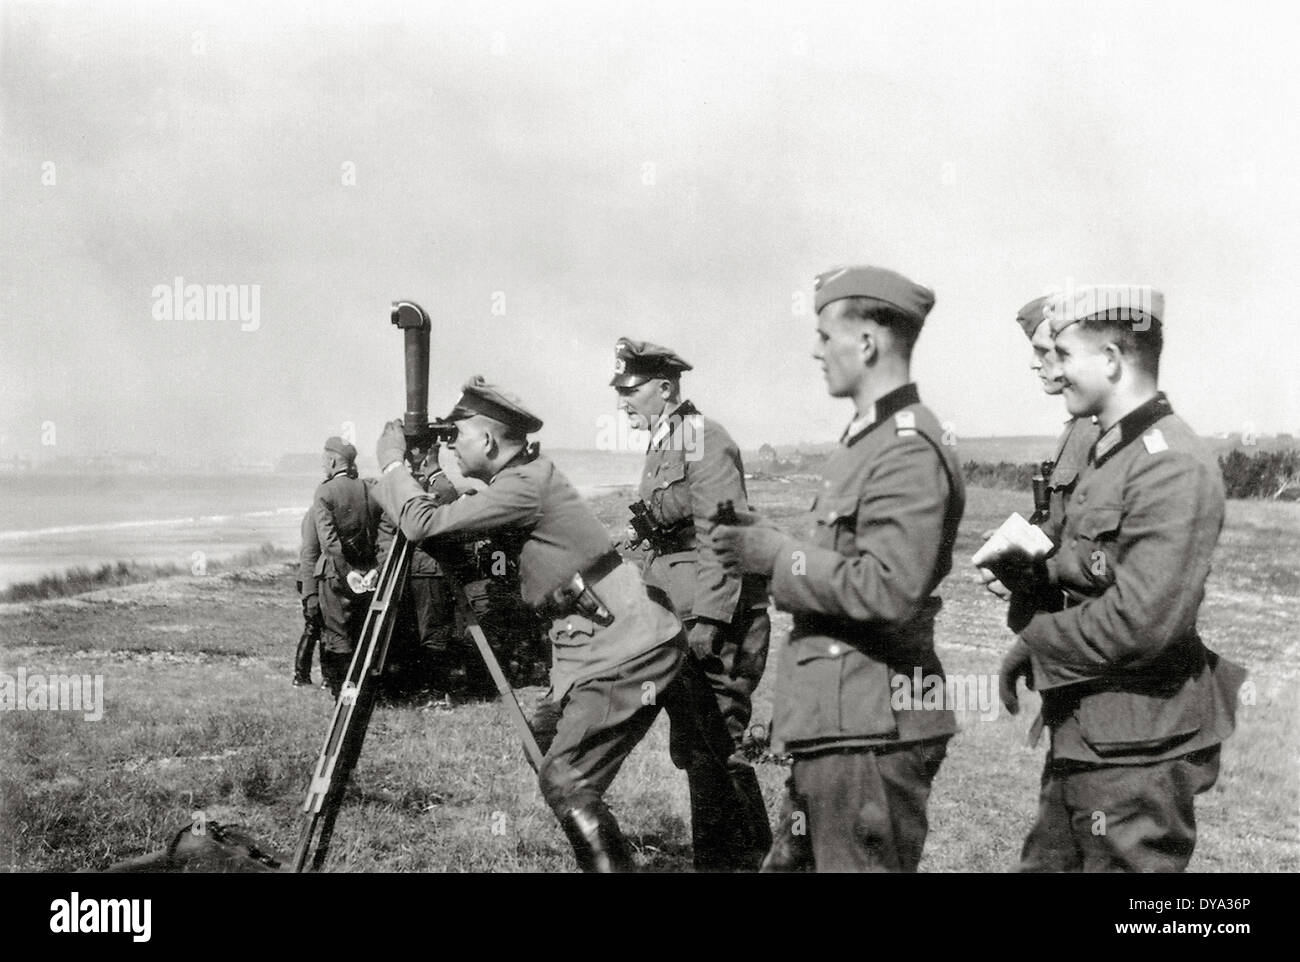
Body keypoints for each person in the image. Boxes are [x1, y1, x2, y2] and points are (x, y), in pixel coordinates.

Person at [372, 376, 754, 872]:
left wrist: (391, 464)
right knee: (546, 741)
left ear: (487, 441)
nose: (451, 447)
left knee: (565, 776)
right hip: (602, 641)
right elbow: (464, 514)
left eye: (456, 437)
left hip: (624, 646)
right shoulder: (522, 478)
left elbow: (424, 523)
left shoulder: (525, 487)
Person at [713, 265, 965, 872]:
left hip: (873, 729)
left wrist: (778, 557)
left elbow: (889, 587)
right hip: (842, 721)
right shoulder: (867, 438)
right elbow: (852, 562)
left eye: (826, 336)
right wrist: (774, 546)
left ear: (868, 343)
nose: (815, 350)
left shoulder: (905, 446)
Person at [993, 285, 1246, 872]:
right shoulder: (1113, 454)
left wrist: (1036, 641)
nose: (1051, 371)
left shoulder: (1170, 463)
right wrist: (1035, 576)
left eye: (1062, 355)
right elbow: (1093, 569)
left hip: (1140, 752)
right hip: (1092, 734)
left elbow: (1142, 620)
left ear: (1109, 359)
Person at [611, 337, 772, 868]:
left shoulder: (703, 437)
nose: (623, 403)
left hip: (711, 620)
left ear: (665, 387)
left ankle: (737, 861)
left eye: (630, 391)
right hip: (676, 615)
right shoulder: (667, 442)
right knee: (696, 745)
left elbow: (722, 534)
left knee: (717, 747)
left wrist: (708, 621)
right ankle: (740, 856)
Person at [312, 436, 383, 698]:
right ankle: (364, 691)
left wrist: (346, 571)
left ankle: (344, 695)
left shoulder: (325, 491)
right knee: (362, 632)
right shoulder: (369, 488)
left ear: (331, 461)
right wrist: (375, 568)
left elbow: (329, 543)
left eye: (324, 461)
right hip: (367, 574)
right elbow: (383, 531)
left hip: (337, 575)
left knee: (338, 634)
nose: (323, 466)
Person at [293, 508, 323, 688]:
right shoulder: (318, 513)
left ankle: (301, 676)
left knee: (314, 628)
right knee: (314, 628)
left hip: (308, 577)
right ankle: (301, 676)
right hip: (312, 578)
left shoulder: (314, 512)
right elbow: (310, 554)